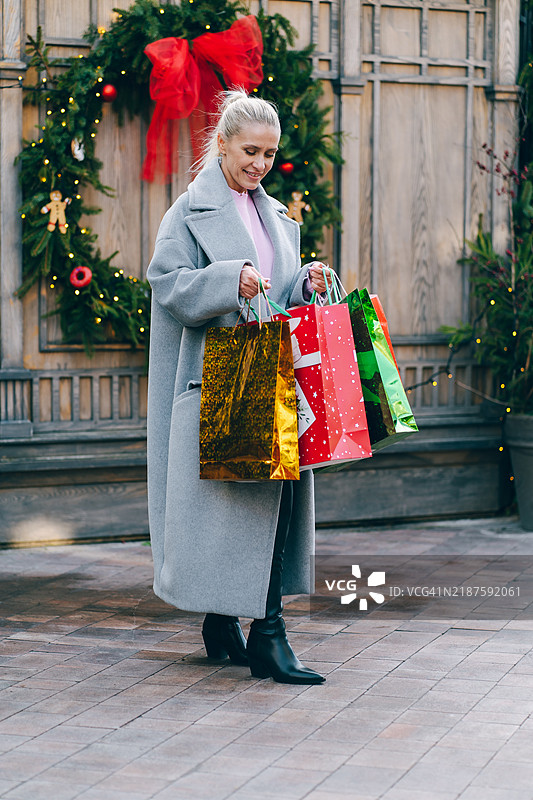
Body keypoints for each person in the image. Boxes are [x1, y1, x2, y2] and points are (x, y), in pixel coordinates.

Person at [146, 89, 331, 685]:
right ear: (221, 143)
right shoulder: (187, 211)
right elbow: (167, 283)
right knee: (241, 507)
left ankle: (229, 625)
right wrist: (230, 280)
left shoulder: (275, 214)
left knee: (265, 506)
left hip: (270, 375)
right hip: (217, 382)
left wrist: (305, 280)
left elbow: (274, 293)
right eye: (250, 151)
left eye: (270, 155)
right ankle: (266, 637)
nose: (260, 164)